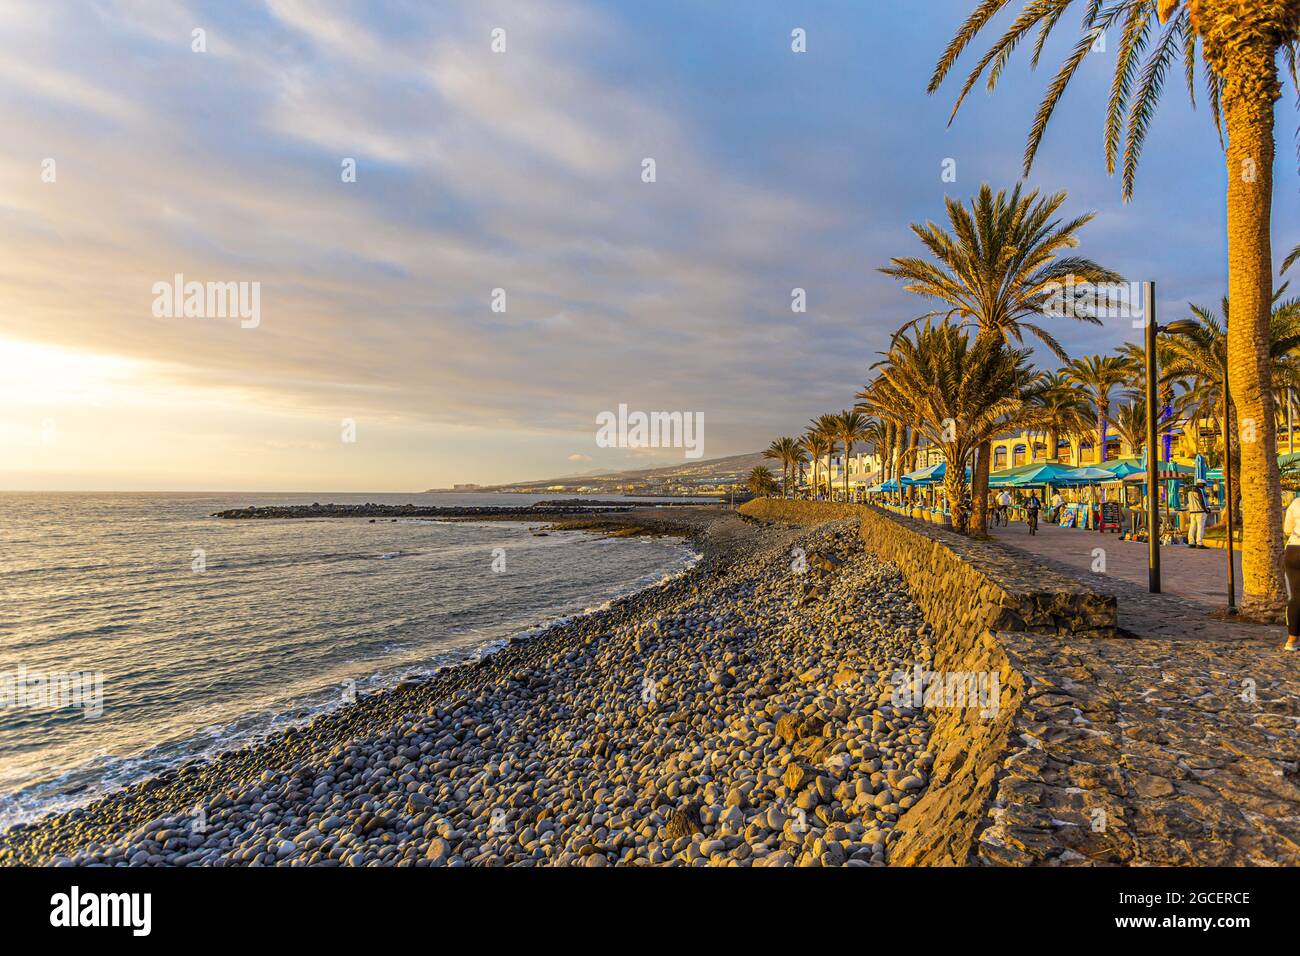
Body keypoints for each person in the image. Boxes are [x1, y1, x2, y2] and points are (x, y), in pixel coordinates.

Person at [1283, 496, 1300, 651]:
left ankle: (1292, 640)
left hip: (1294, 548)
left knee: (1296, 596)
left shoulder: (1296, 502)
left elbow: (1287, 529)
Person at [1186, 479, 1209, 548]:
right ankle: (1199, 543)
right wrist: (1206, 510)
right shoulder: (1200, 491)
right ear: (1201, 485)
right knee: (1200, 527)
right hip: (1200, 512)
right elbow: (1202, 502)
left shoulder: (1190, 492)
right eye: (1204, 485)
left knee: (1192, 527)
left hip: (1192, 512)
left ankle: (1191, 542)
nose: (1204, 487)